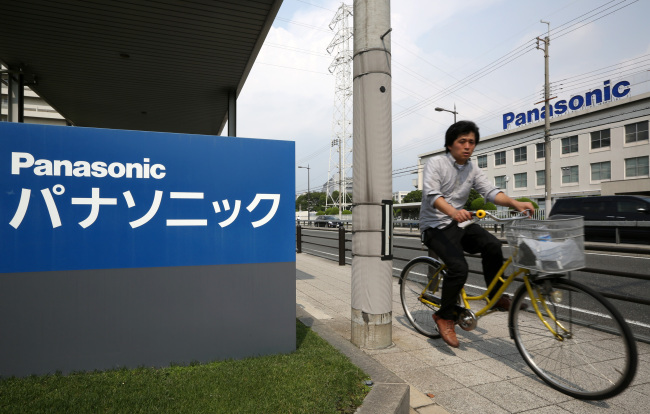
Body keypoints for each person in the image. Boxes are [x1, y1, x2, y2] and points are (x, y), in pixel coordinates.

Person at [419, 120, 534, 348]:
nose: (467, 146)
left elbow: (490, 192)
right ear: (450, 144)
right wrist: (453, 212)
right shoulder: (436, 163)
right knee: (458, 267)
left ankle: (495, 297)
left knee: (492, 245)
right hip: (434, 226)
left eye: (471, 142)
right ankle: (445, 316)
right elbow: (432, 195)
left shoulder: (472, 168)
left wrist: (514, 202)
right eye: (462, 141)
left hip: (460, 223)